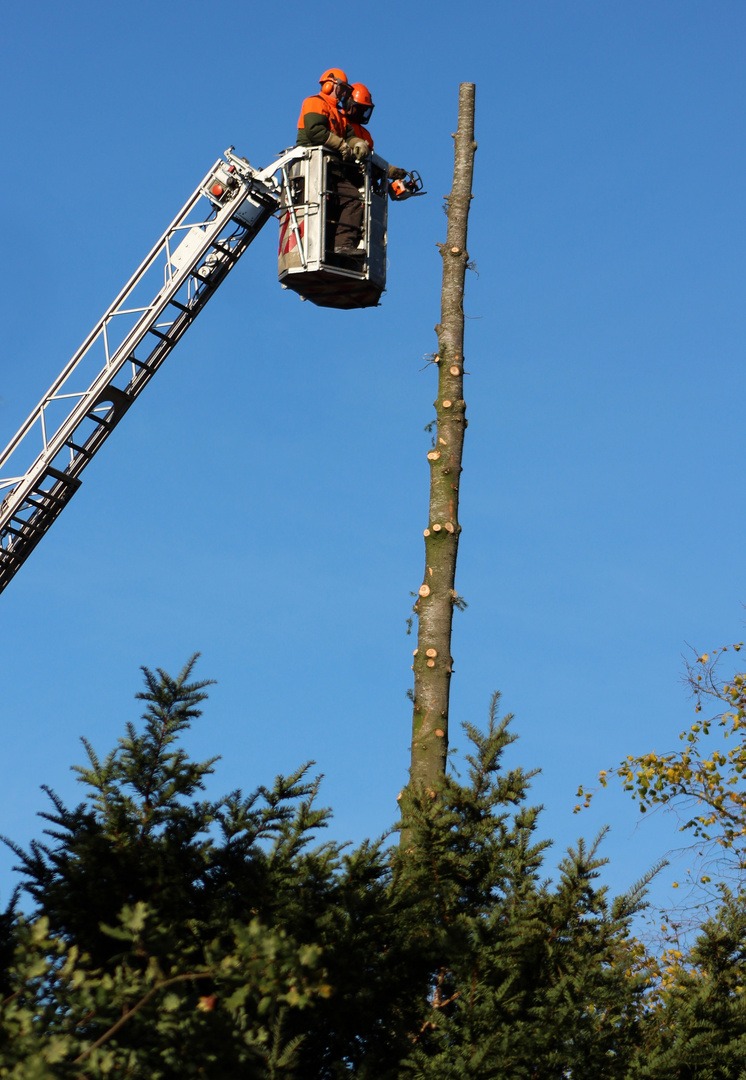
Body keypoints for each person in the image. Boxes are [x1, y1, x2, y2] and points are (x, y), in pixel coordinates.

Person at [296, 69, 364, 256]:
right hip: (313, 166)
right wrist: (341, 145)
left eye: (345, 90)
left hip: (333, 169)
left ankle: (342, 246)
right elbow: (315, 131)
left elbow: (350, 136)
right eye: (341, 89)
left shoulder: (340, 114)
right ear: (329, 84)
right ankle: (320, 248)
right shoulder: (314, 103)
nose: (343, 94)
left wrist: (358, 144)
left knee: (352, 200)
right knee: (322, 207)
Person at [344, 83, 408, 184]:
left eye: (364, 109)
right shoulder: (340, 122)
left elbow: (371, 159)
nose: (361, 113)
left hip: (363, 181)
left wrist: (391, 171)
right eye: (359, 108)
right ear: (348, 104)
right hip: (346, 176)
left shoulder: (365, 134)